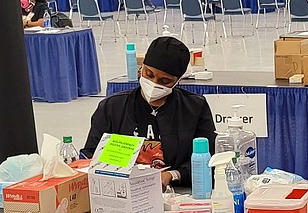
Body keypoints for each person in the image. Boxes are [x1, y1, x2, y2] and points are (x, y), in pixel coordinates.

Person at [82, 37, 216, 189]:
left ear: (177, 81)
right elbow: (89, 154)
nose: (154, 84)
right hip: (122, 190)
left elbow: (209, 159)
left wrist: (172, 175)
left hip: (178, 191)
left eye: (165, 81)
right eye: (149, 74)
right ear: (141, 69)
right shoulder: (113, 107)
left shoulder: (194, 108)